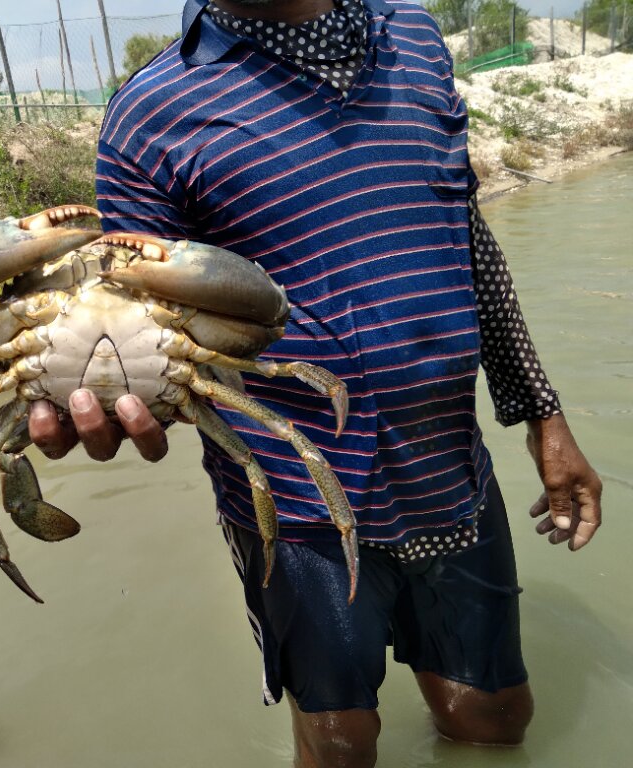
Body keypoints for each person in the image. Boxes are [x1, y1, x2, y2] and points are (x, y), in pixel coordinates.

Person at [29, 1, 604, 765]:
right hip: (291, 508)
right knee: (338, 746)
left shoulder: (415, 39)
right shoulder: (151, 115)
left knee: (494, 719)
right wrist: (107, 400)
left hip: (448, 470)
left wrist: (541, 412)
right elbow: (140, 321)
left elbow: (464, 230)